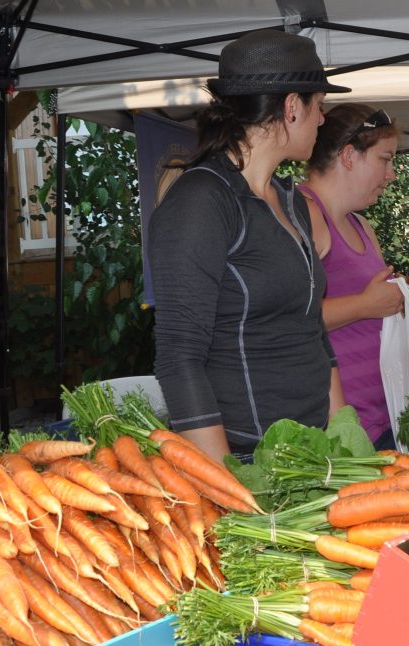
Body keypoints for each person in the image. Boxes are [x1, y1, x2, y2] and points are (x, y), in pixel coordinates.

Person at [148, 29, 350, 463]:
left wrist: (344, 438)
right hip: (245, 459)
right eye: (319, 105)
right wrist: (228, 488)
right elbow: (180, 358)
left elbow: (313, 331)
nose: (322, 118)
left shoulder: (293, 200)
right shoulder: (202, 201)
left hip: (312, 455)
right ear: (292, 107)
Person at [298, 104, 404, 450]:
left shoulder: (361, 225)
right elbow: (284, 320)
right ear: (348, 156)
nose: (392, 176)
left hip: (380, 420)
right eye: (385, 159)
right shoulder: (304, 214)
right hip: (337, 430)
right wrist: (364, 305)